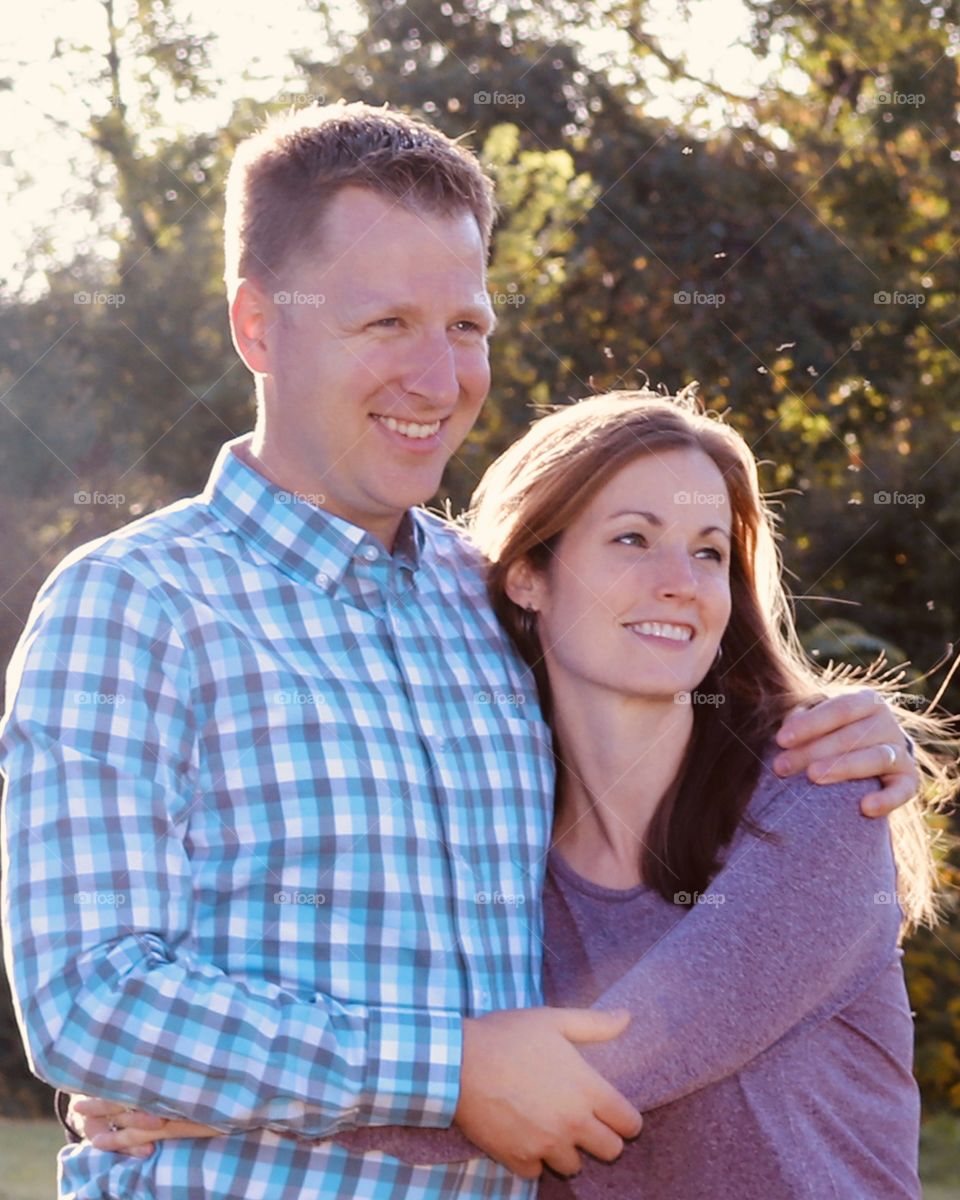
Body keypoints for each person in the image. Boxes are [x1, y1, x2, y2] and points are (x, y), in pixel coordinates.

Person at [0, 103, 918, 1200]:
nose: (439, 381)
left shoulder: (494, 599)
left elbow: (670, 704)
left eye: (468, 327)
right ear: (257, 326)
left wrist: (853, 732)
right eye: (385, 323)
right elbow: (89, 1001)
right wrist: (446, 1073)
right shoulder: (135, 608)